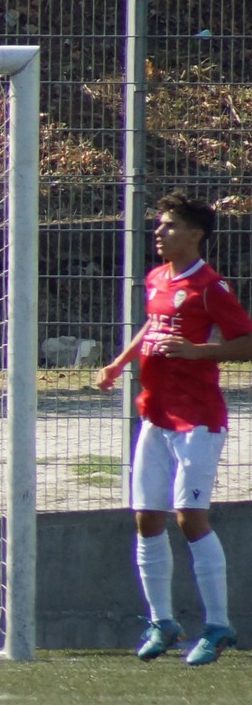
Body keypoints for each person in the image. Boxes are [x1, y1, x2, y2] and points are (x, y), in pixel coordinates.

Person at [93, 193, 252, 665]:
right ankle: (162, 621)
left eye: (169, 225)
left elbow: (246, 342)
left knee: (189, 517)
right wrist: (120, 362)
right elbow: (153, 325)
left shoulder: (210, 286)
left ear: (195, 234)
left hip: (197, 419)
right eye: (159, 225)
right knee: (146, 516)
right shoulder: (157, 277)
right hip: (156, 415)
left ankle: (218, 624)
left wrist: (200, 352)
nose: (158, 232)